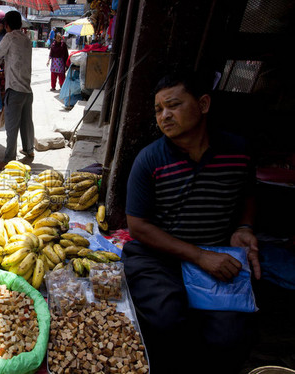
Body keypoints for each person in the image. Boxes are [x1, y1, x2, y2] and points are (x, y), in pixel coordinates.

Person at [123, 69, 260, 374]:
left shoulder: (237, 152)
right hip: (160, 255)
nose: (164, 116)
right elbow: (138, 227)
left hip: (218, 250)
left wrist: (244, 227)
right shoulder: (150, 159)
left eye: (174, 105)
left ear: (203, 104)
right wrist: (199, 256)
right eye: (159, 110)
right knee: (166, 318)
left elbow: (248, 194)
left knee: (231, 335)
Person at [0, 11, 34, 170]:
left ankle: (8, 160)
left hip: (14, 89)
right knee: (27, 122)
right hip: (27, 89)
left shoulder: (9, 37)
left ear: (6, 25)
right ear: (20, 25)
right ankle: (29, 150)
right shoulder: (27, 39)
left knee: (12, 126)